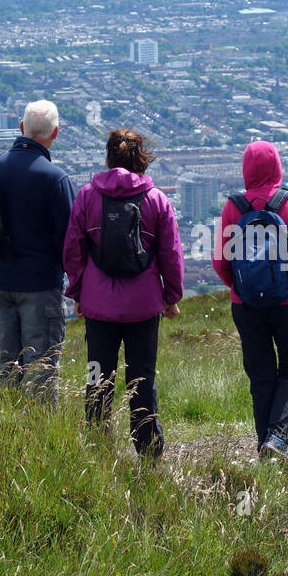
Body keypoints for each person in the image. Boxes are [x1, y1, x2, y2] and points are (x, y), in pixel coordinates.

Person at [64, 129, 184, 459]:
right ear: (140, 159)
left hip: (98, 307)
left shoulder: (88, 196)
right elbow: (170, 252)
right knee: (142, 378)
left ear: (109, 157)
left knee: (96, 376)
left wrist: (77, 291)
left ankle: (96, 447)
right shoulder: (156, 200)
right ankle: (148, 451)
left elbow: (74, 248)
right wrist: (171, 296)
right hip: (143, 308)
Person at [213, 141, 288, 459]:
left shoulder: (233, 207)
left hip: (246, 306)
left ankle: (268, 443)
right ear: (277, 166)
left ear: (246, 169)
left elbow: (221, 262)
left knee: (261, 375)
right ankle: (278, 440)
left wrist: (240, 289)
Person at [0, 99, 77, 404]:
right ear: (55, 133)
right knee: (42, 366)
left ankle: (5, 426)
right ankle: (40, 434)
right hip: (39, 286)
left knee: (7, 361)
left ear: (21, 128)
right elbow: (70, 242)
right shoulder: (54, 178)